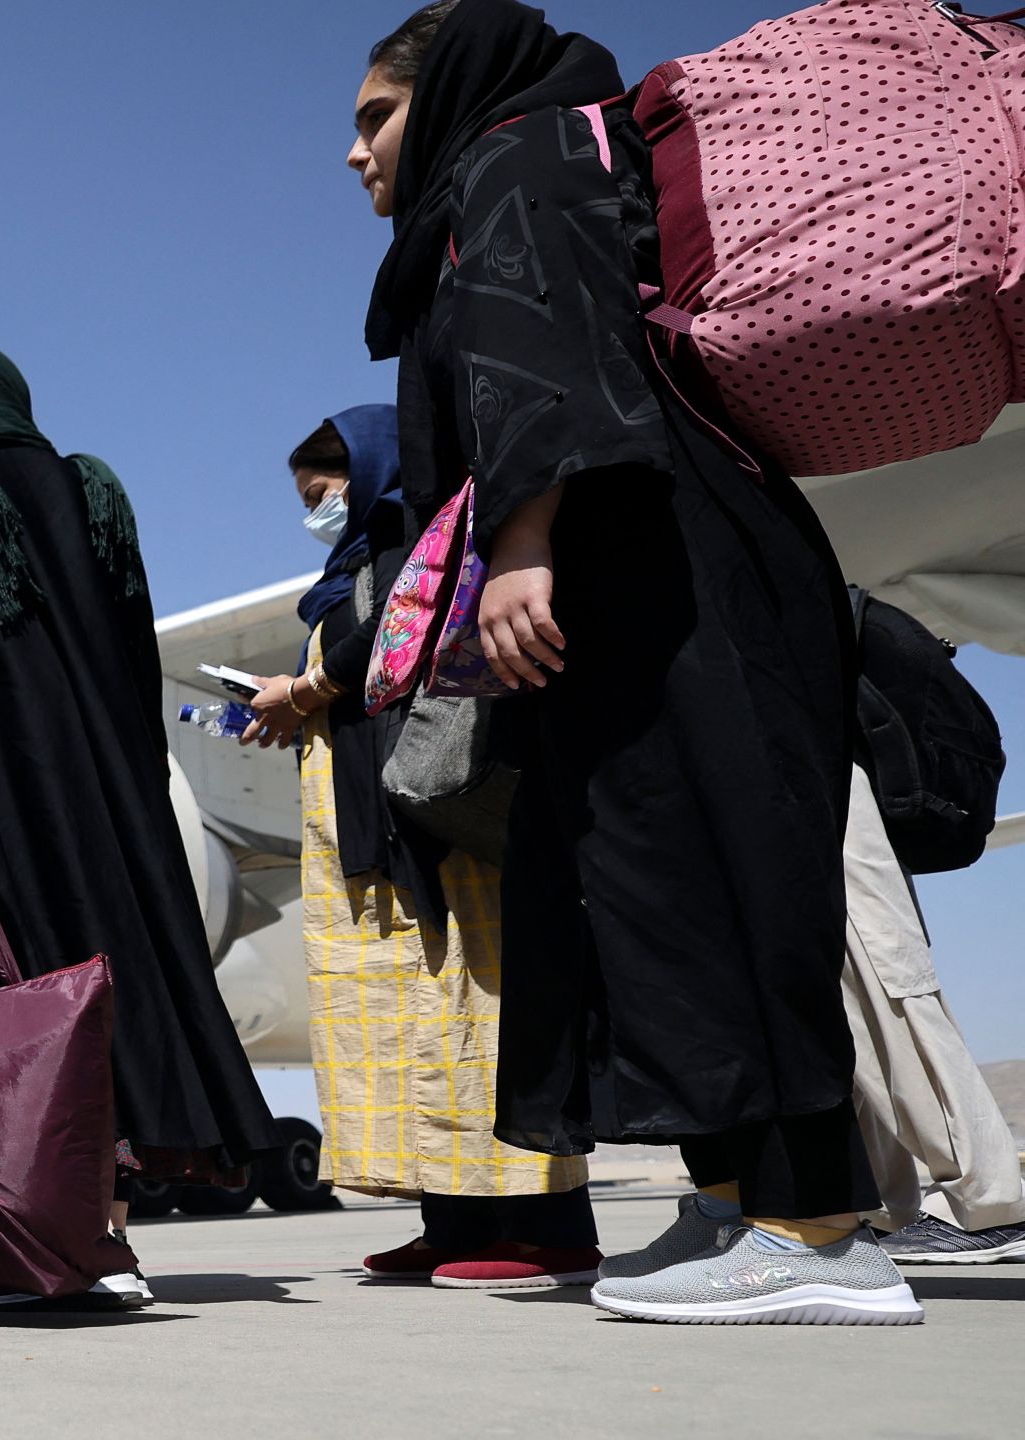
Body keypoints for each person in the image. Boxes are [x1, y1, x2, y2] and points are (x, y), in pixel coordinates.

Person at [351, 0, 916, 1324]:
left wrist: (525, 539)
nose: (356, 151)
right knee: (651, 880)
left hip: (658, 567)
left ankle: (818, 1230)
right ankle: (736, 1204)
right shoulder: (561, 149)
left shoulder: (521, 150)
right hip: (647, 566)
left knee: (715, 873)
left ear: (447, 92)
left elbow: (540, 335)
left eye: (376, 115)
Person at [0, 336, 276, 1309]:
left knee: (24, 987)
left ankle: (39, 1232)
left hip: (1, 778)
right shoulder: (90, 486)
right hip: (116, 780)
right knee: (113, 982)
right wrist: (143, 765)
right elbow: (136, 638)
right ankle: (110, 1234)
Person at [240, 407, 598, 1289]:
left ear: (367, 475)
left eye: (324, 495)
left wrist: (309, 686)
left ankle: (546, 1231)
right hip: (378, 834)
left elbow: (405, 640)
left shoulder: (416, 543)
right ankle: (454, 1223)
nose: (316, 515)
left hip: (441, 831)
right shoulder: (350, 572)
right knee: (418, 1030)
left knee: (476, 1017)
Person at [838, 764, 1025, 1263]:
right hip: (782, 770)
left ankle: (986, 1204)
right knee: (836, 1002)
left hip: (805, 761)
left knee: (873, 968)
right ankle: (878, 1206)